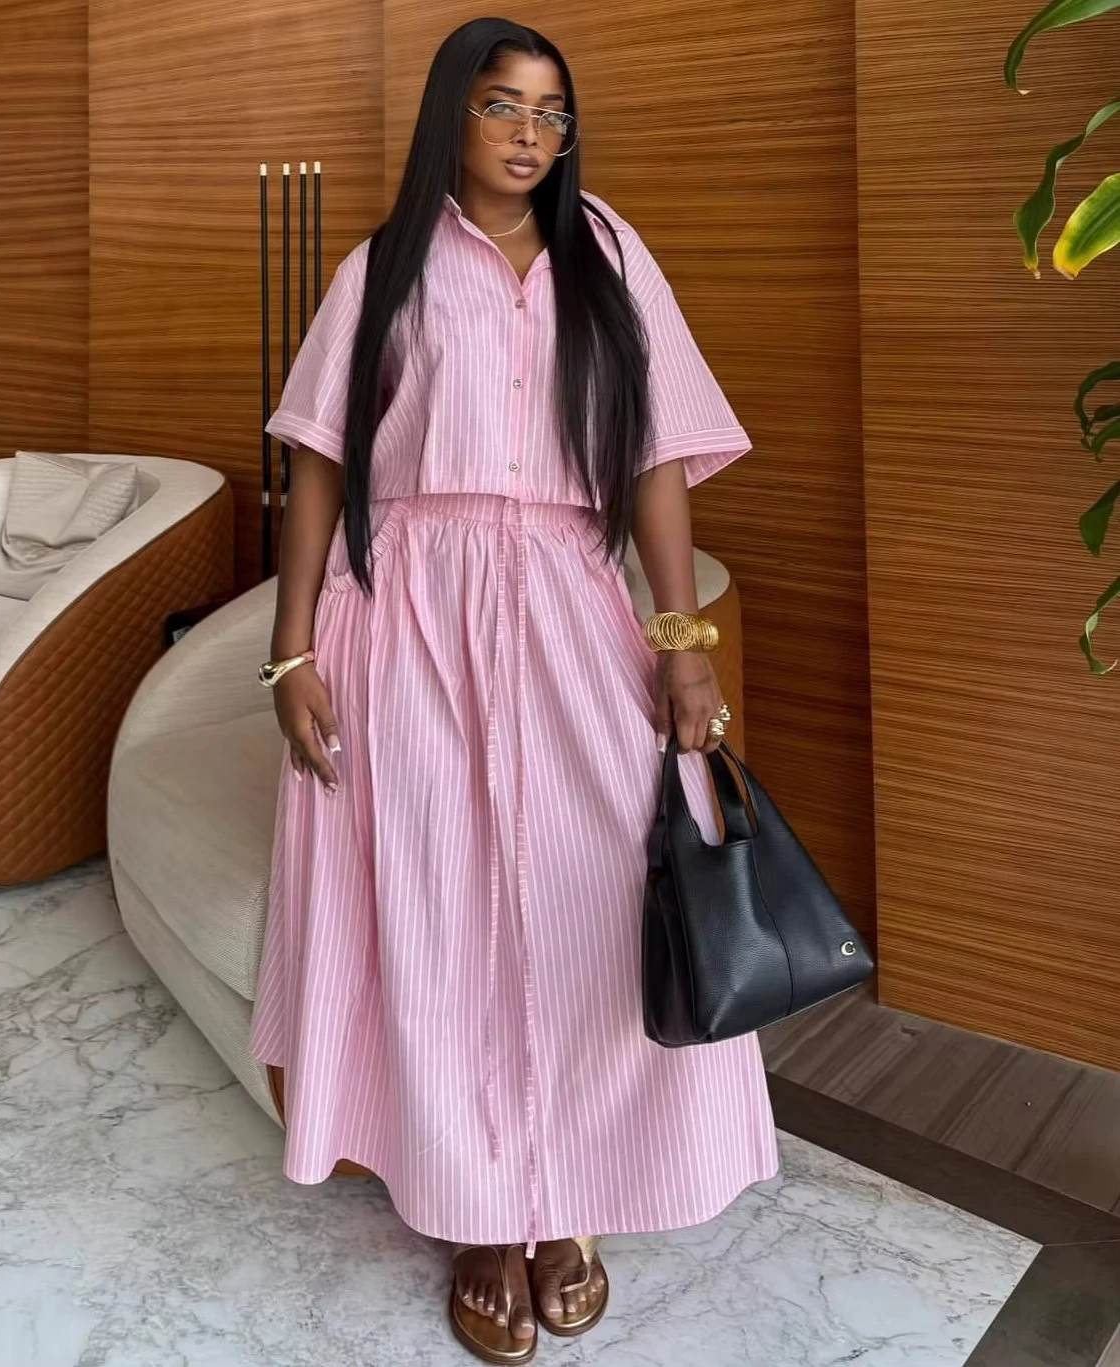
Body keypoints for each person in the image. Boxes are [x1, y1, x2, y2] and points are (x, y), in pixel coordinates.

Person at [249, 16, 778, 1363]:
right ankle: (482, 1210)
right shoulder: (384, 268)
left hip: (566, 600)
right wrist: (294, 648)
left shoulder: (611, 257)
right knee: (440, 912)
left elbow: (655, 459)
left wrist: (680, 639)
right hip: (407, 610)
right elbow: (318, 462)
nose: (530, 132)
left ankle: (571, 1194)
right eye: (502, 104)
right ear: (453, 114)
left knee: (594, 900)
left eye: (551, 110)